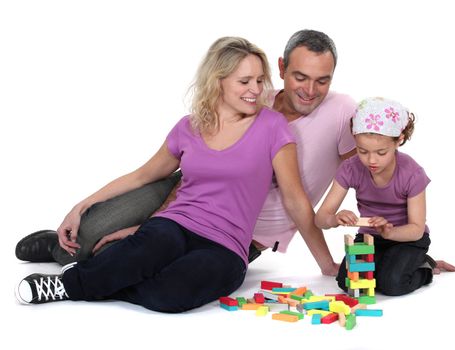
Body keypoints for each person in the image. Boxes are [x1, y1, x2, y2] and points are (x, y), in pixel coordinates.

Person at [15, 29, 455, 275]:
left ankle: (74, 255)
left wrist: (406, 249)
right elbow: (160, 166)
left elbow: (368, 171)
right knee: (99, 231)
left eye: (323, 80)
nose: (311, 90)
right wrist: (112, 213)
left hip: (245, 232)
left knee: (136, 261)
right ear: (281, 69)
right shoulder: (253, 100)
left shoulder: (343, 112)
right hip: (187, 192)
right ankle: (67, 244)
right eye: (300, 77)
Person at [15, 36, 318, 312]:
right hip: (175, 224)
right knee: (148, 248)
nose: (256, 90)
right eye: (245, 81)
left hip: (228, 246)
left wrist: (325, 261)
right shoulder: (189, 127)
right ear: (219, 81)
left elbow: (294, 199)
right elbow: (141, 175)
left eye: (260, 80)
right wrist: (79, 206)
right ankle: (67, 285)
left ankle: (104, 279)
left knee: (171, 295)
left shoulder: (273, 127)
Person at [315, 97, 455, 296]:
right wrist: (334, 218)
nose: (371, 160)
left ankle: (425, 268)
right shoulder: (350, 168)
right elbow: (320, 219)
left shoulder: (412, 173)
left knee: (392, 284)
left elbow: (416, 230)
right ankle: (391, 265)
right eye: (362, 151)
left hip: (408, 239)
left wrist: (389, 233)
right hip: (370, 238)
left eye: (381, 152)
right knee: (348, 283)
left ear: (398, 140)